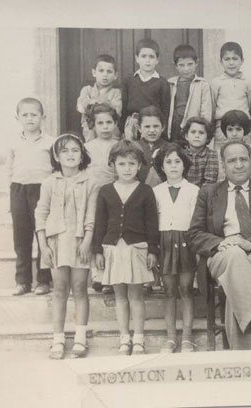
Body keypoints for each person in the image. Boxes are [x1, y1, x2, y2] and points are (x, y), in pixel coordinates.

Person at [188, 140, 251, 350]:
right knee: (234, 256)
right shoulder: (208, 192)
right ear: (223, 165)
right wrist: (221, 243)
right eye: (232, 160)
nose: (239, 165)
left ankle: (239, 354)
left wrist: (250, 243)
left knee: (237, 286)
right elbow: (195, 234)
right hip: (221, 255)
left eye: (243, 159)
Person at [34, 133, 99, 359]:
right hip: (56, 242)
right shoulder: (49, 183)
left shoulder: (91, 183)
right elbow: (41, 214)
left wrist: (87, 241)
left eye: (75, 150)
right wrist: (43, 245)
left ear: (82, 155)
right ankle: (58, 339)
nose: (70, 155)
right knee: (60, 289)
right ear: (56, 156)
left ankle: (80, 338)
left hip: (80, 242)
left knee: (80, 288)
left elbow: (91, 216)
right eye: (64, 151)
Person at [92, 140, 159, 356]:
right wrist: (98, 250)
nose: (127, 168)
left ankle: (138, 338)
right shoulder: (105, 191)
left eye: (132, 164)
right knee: (120, 296)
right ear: (113, 165)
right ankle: (124, 338)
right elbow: (100, 222)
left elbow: (152, 223)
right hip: (113, 248)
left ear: (139, 165)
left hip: (136, 248)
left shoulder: (145, 191)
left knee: (136, 296)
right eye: (122, 164)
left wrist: (152, 250)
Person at [152, 143, 200, 353]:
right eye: (168, 162)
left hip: (186, 242)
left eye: (177, 161)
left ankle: (187, 337)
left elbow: (196, 222)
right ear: (162, 166)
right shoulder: (156, 191)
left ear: (184, 165)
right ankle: (171, 338)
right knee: (169, 290)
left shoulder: (193, 190)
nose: (173, 166)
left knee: (186, 289)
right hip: (164, 243)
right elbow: (153, 221)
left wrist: (196, 249)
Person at [7, 97, 54, 296]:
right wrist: (10, 197)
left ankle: (44, 280)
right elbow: (9, 169)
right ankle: (23, 281)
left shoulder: (51, 142)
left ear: (43, 117)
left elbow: (55, 171)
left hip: (42, 190)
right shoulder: (13, 142)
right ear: (17, 118)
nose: (29, 118)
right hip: (18, 190)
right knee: (21, 237)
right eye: (25, 115)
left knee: (43, 235)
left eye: (34, 114)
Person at [84, 102, 119, 294]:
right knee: (95, 231)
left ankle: (111, 275)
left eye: (109, 122)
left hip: (114, 194)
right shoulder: (87, 147)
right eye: (100, 123)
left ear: (115, 124)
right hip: (93, 194)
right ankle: (97, 275)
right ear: (93, 125)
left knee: (110, 232)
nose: (105, 127)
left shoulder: (118, 145)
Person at [121, 38, 170, 140]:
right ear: (137, 58)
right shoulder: (129, 80)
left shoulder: (162, 82)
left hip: (152, 125)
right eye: (143, 56)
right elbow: (124, 107)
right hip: (133, 124)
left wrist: (163, 133)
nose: (147, 60)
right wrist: (122, 129)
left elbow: (165, 110)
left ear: (157, 60)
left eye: (151, 57)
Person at [210, 42, 251, 151]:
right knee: (222, 154)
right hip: (222, 129)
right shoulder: (216, 82)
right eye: (227, 59)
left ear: (242, 61)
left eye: (235, 59)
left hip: (243, 128)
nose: (231, 63)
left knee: (244, 153)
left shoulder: (247, 82)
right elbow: (212, 106)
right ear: (221, 61)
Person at [166, 44, 212, 144]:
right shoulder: (170, 83)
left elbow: (206, 112)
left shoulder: (202, 84)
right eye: (181, 65)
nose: (186, 69)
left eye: (190, 64)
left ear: (196, 63)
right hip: (174, 126)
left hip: (193, 127)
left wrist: (203, 130)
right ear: (175, 65)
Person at [76, 54, 122, 141]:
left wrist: (93, 102)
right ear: (94, 72)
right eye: (101, 71)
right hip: (90, 128)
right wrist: (105, 103)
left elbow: (117, 112)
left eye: (109, 71)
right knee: (90, 140)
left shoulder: (116, 93)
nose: (105, 75)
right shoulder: (87, 90)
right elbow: (81, 107)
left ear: (115, 75)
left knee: (113, 142)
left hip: (109, 128)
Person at [217, 110, 251, 182]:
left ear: (244, 130)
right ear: (225, 131)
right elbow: (220, 177)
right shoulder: (219, 152)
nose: (234, 134)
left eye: (238, 129)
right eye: (230, 130)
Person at [182, 116, 219, 187]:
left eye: (201, 133)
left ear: (208, 137)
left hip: (204, 192)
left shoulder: (211, 155)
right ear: (186, 136)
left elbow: (210, 181)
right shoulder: (181, 154)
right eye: (193, 132)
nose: (197, 136)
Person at [137, 106, 169, 187]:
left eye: (156, 126)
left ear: (163, 127)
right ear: (139, 128)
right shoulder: (134, 147)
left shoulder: (169, 148)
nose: (152, 130)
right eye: (147, 126)